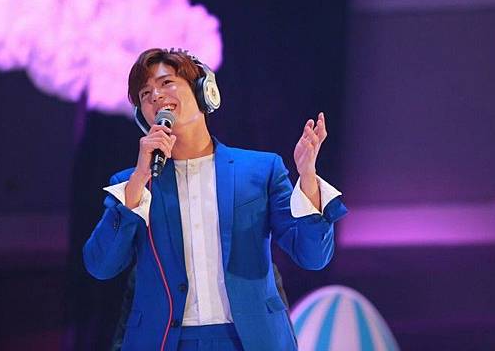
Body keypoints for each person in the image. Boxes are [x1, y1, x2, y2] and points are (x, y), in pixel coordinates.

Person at [83, 48, 347, 351]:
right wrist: (139, 180)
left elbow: (312, 256)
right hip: (166, 342)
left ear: (204, 91)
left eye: (167, 83)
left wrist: (308, 177)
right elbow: (101, 265)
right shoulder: (132, 184)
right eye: (145, 93)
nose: (155, 95)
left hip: (249, 340)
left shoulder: (261, 170)